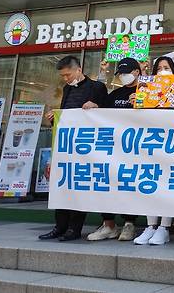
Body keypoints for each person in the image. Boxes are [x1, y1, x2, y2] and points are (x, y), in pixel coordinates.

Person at [38, 56, 107, 242]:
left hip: (87, 145)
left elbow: (107, 115)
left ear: (79, 70)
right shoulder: (67, 88)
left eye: (68, 74)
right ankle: (59, 226)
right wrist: (55, 118)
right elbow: (66, 113)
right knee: (62, 184)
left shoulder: (97, 87)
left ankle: (74, 228)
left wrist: (97, 106)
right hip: (67, 144)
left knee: (79, 185)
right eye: (63, 76)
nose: (66, 78)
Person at [134, 56, 174, 246]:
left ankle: (164, 227)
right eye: (159, 68)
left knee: (168, 184)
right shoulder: (146, 89)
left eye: (166, 67)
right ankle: (151, 226)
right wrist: (137, 100)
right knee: (150, 182)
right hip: (152, 143)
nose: (162, 71)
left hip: (173, 145)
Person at [84, 57, 141, 242]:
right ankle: (108, 224)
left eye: (126, 72)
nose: (123, 76)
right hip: (112, 148)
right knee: (106, 182)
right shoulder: (116, 94)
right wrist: (95, 107)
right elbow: (103, 113)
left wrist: (141, 103)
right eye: (120, 74)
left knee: (129, 184)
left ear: (137, 72)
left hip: (136, 148)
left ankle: (129, 224)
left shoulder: (146, 91)